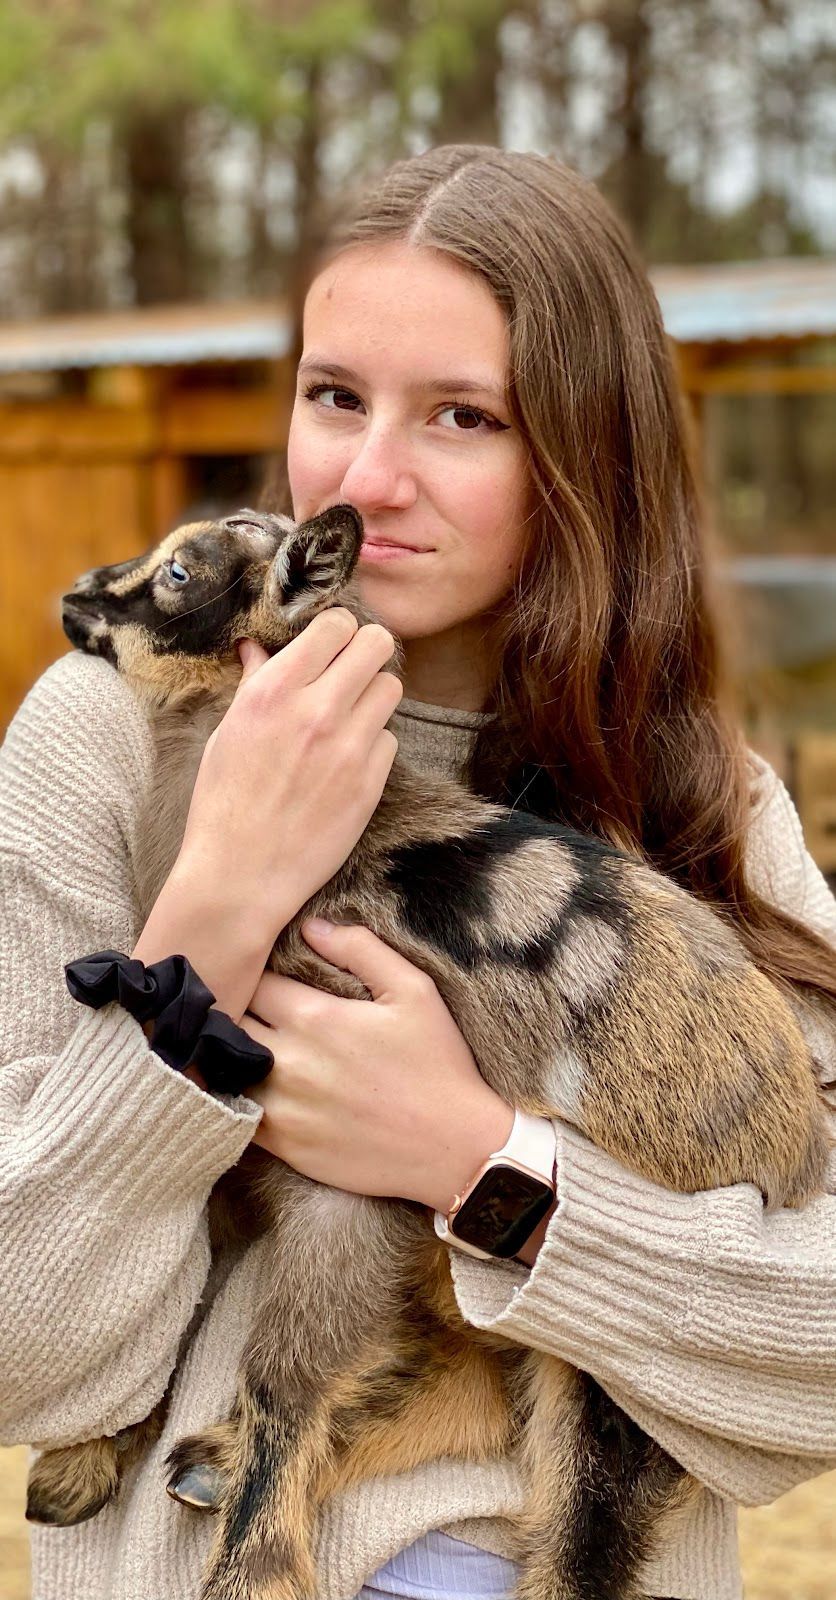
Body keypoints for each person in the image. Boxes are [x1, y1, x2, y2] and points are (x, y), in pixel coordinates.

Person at [1, 145, 835, 1600]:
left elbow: (815, 1355)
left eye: (463, 415)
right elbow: (31, 1359)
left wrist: (484, 1169)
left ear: (588, 453)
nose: (367, 476)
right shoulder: (106, 740)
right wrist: (210, 912)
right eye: (334, 396)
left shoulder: (698, 799)